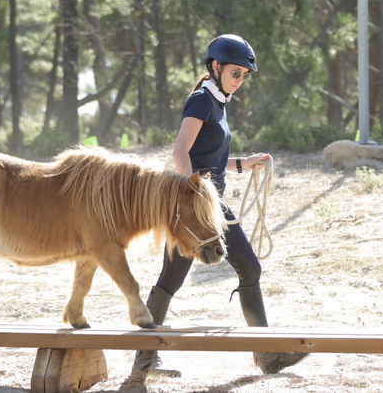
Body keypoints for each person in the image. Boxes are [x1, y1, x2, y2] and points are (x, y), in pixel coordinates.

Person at [129, 34, 308, 379]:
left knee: (173, 280)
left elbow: (209, 158)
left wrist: (243, 163)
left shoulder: (218, 102)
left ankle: (144, 363)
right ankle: (266, 355)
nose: (240, 81)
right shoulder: (201, 101)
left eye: (244, 75)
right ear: (216, 67)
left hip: (207, 203)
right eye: (235, 73)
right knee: (241, 270)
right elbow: (181, 152)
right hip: (199, 208)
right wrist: (194, 197)